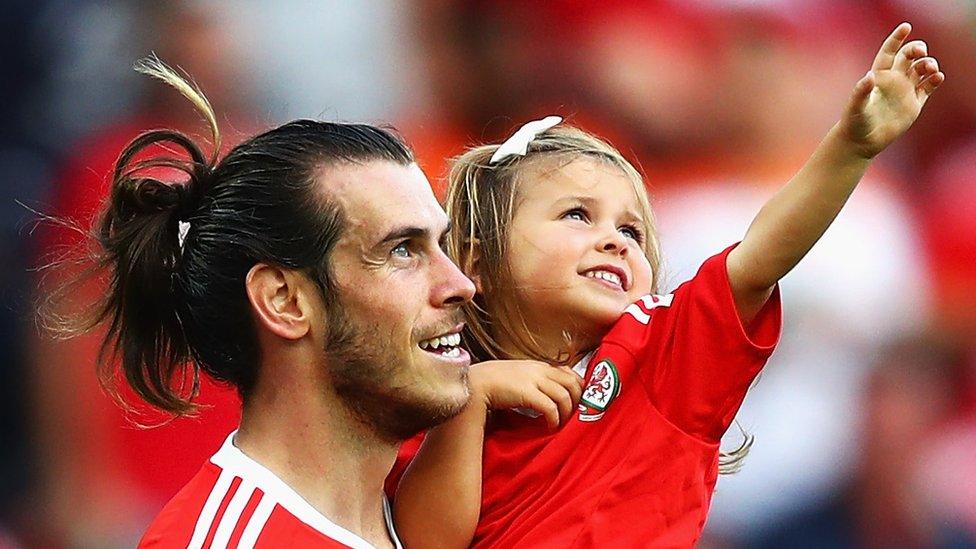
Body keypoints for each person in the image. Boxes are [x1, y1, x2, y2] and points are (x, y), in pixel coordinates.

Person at [389, 23, 945, 548]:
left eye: (631, 229)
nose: (615, 241)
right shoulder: (433, 390)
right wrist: (472, 401)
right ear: (478, 263)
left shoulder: (660, 353)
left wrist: (850, 149)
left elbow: (760, 259)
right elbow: (427, 541)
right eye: (578, 216)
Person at [44, 57, 482, 548]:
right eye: (402, 250)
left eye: (441, 245)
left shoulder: (451, 500)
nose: (461, 283)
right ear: (284, 301)